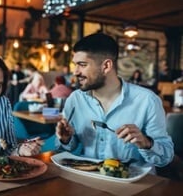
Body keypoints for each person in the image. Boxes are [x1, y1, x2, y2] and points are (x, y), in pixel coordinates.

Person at [55, 33, 174, 171]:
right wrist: (65, 139)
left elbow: (166, 157)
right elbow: (65, 147)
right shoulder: (75, 99)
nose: (75, 72)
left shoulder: (147, 101)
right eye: (75, 65)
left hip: (134, 185)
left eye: (82, 65)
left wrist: (146, 142)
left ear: (106, 66)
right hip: (89, 180)